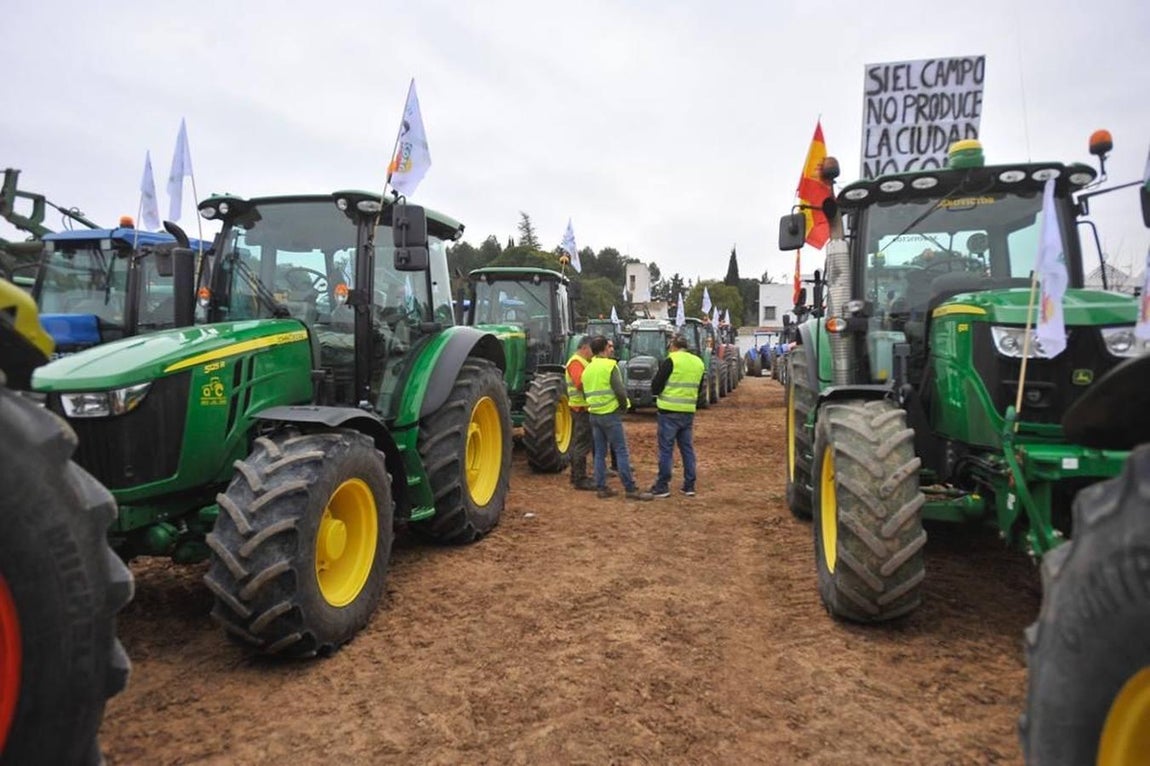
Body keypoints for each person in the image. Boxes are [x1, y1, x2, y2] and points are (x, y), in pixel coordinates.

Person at [582, 335, 652, 501]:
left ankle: (601, 487)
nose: (612, 349)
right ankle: (630, 488)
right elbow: (620, 391)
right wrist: (623, 407)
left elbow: (585, 392)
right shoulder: (610, 366)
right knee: (621, 451)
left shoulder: (588, 369)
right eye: (610, 347)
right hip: (610, 414)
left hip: (594, 414)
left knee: (599, 453)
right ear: (604, 349)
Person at [648, 333, 705, 498]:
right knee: (687, 449)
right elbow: (699, 387)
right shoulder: (698, 362)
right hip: (688, 411)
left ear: (673, 346)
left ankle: (662, 486)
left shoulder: (671, 361)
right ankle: (689, 485)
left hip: (668, 411)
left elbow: (656, 386)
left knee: (666, 449)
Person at [565, 335, 596, 491]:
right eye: (592, 350)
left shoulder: (582, 361)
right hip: (581, 409)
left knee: (578, 443)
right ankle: (580, 478)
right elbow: (579, 383)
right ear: (585, 348)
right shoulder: (577, 362)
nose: (593, 353)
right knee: (581, 444)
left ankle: (576, 475)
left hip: (580, 407)